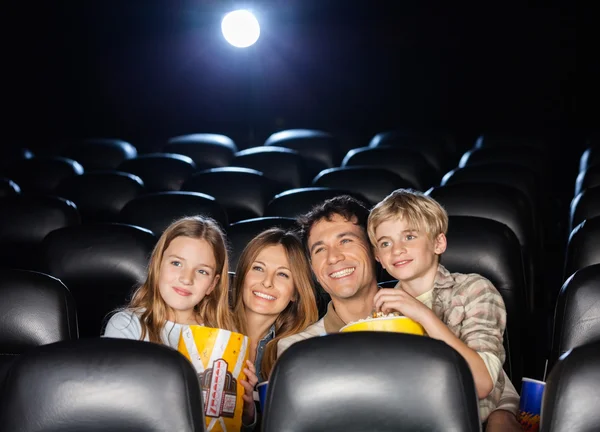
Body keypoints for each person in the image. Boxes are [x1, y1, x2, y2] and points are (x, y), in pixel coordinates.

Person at [277, 196, 522, 431]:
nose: (334, 257)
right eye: (320, 250)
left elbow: (490, 378)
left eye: (346, 241)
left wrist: (504, 411)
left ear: (372, 254)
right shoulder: (298, 350)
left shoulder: (425, 301)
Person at [103, 216, 258, 428]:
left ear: (212, 284)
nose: (187, 278)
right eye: (177, 263)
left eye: (202, 271)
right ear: (157, 265)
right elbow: (117, 408)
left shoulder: (224, 335)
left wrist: (246, 410)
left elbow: (229, 422)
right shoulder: (126, 326)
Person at [367, 189, 505, 421]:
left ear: (438, 243)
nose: (397, 249)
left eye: (409, 237)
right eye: (385, 243)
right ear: (378, 257)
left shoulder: (475, 289)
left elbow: (482, 384)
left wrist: (423, 315)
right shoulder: (381, 310)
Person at [231, 228, 319, 383]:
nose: (267, 282)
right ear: (243, 275)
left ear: (295, 293)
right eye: (258, 268)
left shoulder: (293, 354)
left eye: (282, 274)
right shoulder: (206, 326)